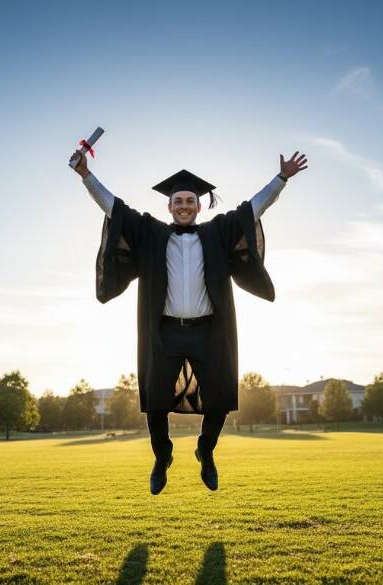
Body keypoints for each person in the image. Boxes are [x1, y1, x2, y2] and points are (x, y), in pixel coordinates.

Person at [70, 148, 307, 494]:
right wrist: (86, 176)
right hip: (164, 331)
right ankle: (161, 457)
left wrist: (282, 178)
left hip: (209, 331)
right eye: (178, 201)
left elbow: (254, 207)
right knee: (155, 402)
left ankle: (205, 451)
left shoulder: (218, 233)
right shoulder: (150, 233)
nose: (183, 206)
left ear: (199, 206)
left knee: (221, 399)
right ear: (169, 206)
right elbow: (113, 207)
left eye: (189, 201)